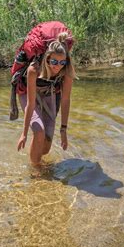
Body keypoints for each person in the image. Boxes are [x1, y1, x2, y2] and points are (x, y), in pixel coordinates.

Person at [16, 32, 76, 166]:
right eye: (54, 61)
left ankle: (36, 159)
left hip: (50, 93)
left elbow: (66, 100)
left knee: (47, 143)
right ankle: (35, 172)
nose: (58, 66)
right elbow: (31, 104)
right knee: (39, 132)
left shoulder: (67, 71)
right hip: (28, 93)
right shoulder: (34, 69)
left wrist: (63, 130)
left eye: (62, 62)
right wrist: (24, 134)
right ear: (47, 58)